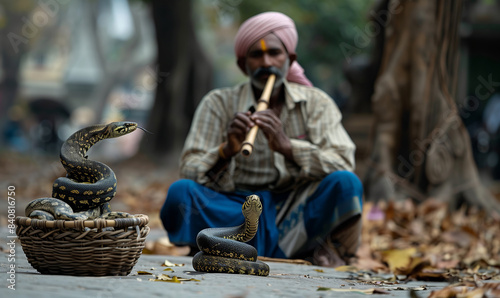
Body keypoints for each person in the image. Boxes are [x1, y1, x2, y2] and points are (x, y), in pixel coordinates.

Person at [160, 11, 363, 267]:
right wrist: (226, 150)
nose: (266, 62)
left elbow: (343, 161)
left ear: (289, 59)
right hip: (234, 206)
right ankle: (212, 244)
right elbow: (189, 167)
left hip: (294, 207)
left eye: (274, 53)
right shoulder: (217, 103)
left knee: (345, 183)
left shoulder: (316, 103)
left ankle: (327, 251)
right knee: (181, 193)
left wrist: (289, 148)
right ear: (243, 64)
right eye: (256, 55)